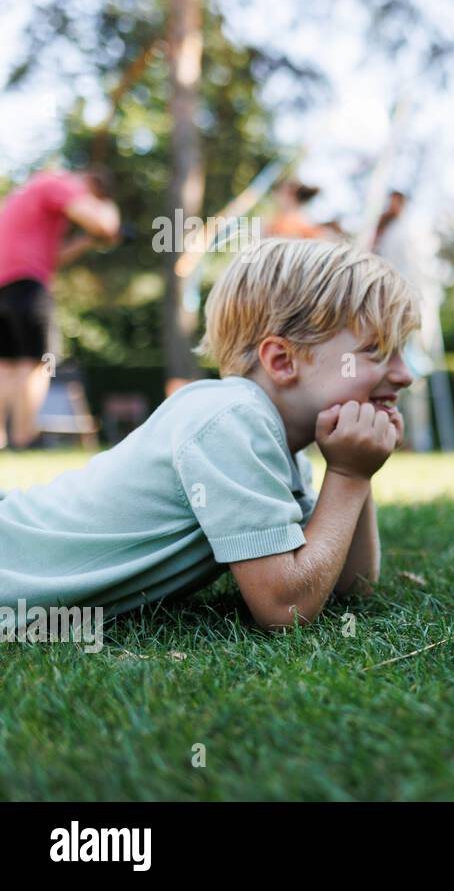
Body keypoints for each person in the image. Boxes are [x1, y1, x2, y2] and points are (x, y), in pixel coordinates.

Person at [0, 238, 419, 630]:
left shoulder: (281, 451)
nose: (405, 374)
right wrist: (348, 477)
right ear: (283, 360)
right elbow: (284, 608)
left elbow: (350, 586)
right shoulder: (231, 420)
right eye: (376, 352)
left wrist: (354, 471)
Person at [0, 165, 120, 449]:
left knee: (6, 364)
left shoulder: (28, 194)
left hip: (4, 286)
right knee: (38, 362)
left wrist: (86, 242)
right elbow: (105, 225)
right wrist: (108, 211)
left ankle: (4, 440)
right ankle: (25, 438)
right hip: (28, 286)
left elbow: (51, 258)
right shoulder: (59, 183)